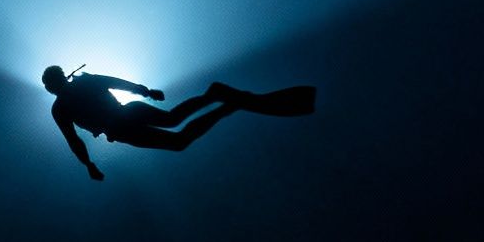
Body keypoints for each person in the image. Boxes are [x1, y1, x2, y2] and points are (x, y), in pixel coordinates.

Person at [41, 65, 316, 181]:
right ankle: (216, 97)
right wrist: (144, 90)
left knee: (179, 139)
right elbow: (116, 83)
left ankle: (223, 102)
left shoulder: (62, 106)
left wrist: (89, 165)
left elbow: (73, 140)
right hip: (128, 115)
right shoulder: (76, 91)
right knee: (176, 123)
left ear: (52, 85)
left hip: (122, 125)